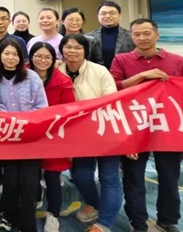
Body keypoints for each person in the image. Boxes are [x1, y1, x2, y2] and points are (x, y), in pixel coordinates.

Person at [110, 18, 183, 232]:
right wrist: (142, 76)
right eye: (137, 34)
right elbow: (112, 89)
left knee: (170, 178)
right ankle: (138, 223)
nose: (142, 38)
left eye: (147, 33)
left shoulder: (180, 62)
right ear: (131, 36)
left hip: (169, 129)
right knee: (133, 179)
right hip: (134, 129)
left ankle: (167, 220)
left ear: (157, 35)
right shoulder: (121, 60)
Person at [56, 34, 120, 232]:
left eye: (78, 47)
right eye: (68, 47)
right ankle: (96, 204)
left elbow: (112, 100)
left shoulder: (100, 71)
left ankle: (104, 224)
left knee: (109, 178)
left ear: (86, 51)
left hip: (105, 131)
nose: (72, 51)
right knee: (81, 175)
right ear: (62, 49)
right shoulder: (57, 71)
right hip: (77, 136)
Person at [0, 39, 48, 232]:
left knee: (29, 184)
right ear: (0, 55)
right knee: (10, 182)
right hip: (7, 139)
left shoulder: (32, 77)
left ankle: (27, 224)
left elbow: (42, 107)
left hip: (31, 139)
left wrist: (25, 122)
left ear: (21, 57)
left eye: (15, 54)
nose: (11, 58)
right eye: (6, 53)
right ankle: (7, 216)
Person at [29, 41, 75, 232]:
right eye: (38, 56)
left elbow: (69, 113)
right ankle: (36, 198)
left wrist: (69, 144)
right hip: (29, 135)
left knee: (52, 176)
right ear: (31, 57)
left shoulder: (63, 81)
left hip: (54, 136)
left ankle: (53, 215)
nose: (43, 60)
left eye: (47, 57)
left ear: (54, 59)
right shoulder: (23, 74)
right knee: (31, 173)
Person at [86, 0, 135, 69]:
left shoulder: (131, 36)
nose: (108, 16)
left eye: (112, 13)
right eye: (103, 13)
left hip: (124, 73)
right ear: (98, 16)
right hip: (97, 74)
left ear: (120, 15)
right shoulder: (89, 37)